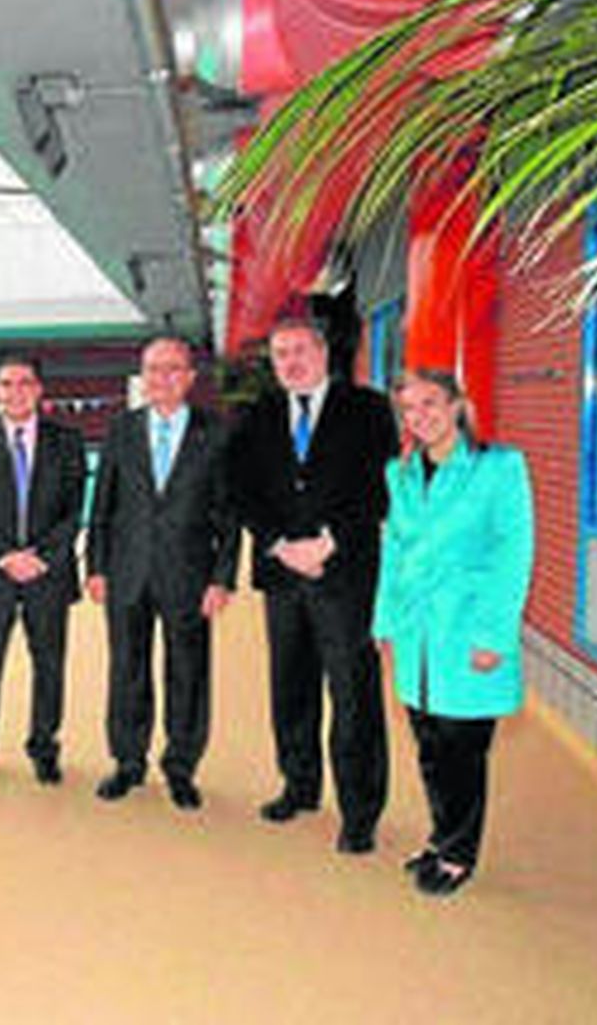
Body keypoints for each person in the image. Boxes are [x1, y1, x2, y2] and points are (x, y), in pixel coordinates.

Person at [229, 317, 397, 853]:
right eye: (280, 354)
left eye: (300, 350)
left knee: (353, 693)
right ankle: (299, 786)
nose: (291, 361)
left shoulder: (368, 409)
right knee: (291, 686)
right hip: (283, 575)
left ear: (324, 353)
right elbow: (239, 489)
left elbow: (379, 487)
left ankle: (360, 813)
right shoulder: (257, 415)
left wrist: (327, 543)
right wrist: (280, 544)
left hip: (343, 572)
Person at [373, 369, 534, 896]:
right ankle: (443, 836)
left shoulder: (500, 467)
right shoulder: (400, 473)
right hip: (416, 632)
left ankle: (458, 854)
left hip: (468, 630)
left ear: (458, 404)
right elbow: (393, 551)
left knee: (462, 751)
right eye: (409, 409)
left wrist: (494, 636)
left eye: (430, 404)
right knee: (429, 747)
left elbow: (513, 554)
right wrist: (385, 622)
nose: (420, 417)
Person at [86, 337, 240, 809]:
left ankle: (181, 766)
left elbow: (229, 514)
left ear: (191, 377)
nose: (162, 378)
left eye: (173, 369)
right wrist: (95, 566)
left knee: (188, 673)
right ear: (142, 376)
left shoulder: (216, 432)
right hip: (127, 571)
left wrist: (222, 577)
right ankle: (128, 762)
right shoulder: (121, 430)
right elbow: (103, 506)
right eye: (154, 369)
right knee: (127, 670)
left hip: (189, 574)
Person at [0, 355, 86, 784]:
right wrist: (5, 556)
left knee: (49, 664)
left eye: (24, 383)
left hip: (47, 574)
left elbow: (73, 510)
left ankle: (44, 746)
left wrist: (42, 557)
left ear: (39, 390)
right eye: (6, 384)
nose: (15, 392)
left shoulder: (67, 441)